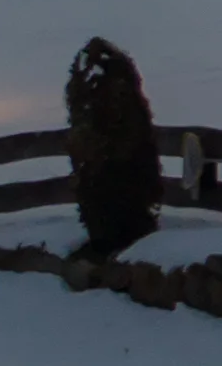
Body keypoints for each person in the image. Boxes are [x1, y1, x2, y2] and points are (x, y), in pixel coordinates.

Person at [61, 36, 163, 264]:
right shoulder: (103, 126)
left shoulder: (122, 125)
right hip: (107, 174)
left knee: (116, 196)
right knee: (106, 195)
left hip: (117, 174)